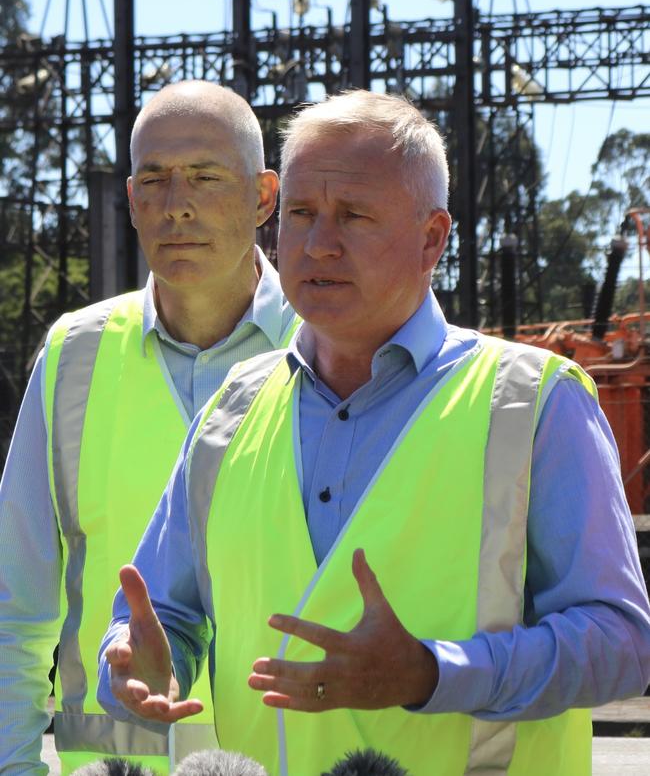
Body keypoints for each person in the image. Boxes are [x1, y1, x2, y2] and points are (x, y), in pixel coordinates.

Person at [97, 90, 650, 775]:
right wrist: (132, 664)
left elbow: (622, 641)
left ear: (433, 239)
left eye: (353, 215)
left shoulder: (535, 405)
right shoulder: (229, 415)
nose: (317, 242)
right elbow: (161, 613)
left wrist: (431, 672)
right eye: (300, 213)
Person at [0, 80, 298, 775]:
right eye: (155, 180)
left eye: (204, 176)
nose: (178, 203)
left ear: (263, 197)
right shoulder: (75, 357)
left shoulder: (333, 351)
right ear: (132, 202)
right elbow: (15, 611)